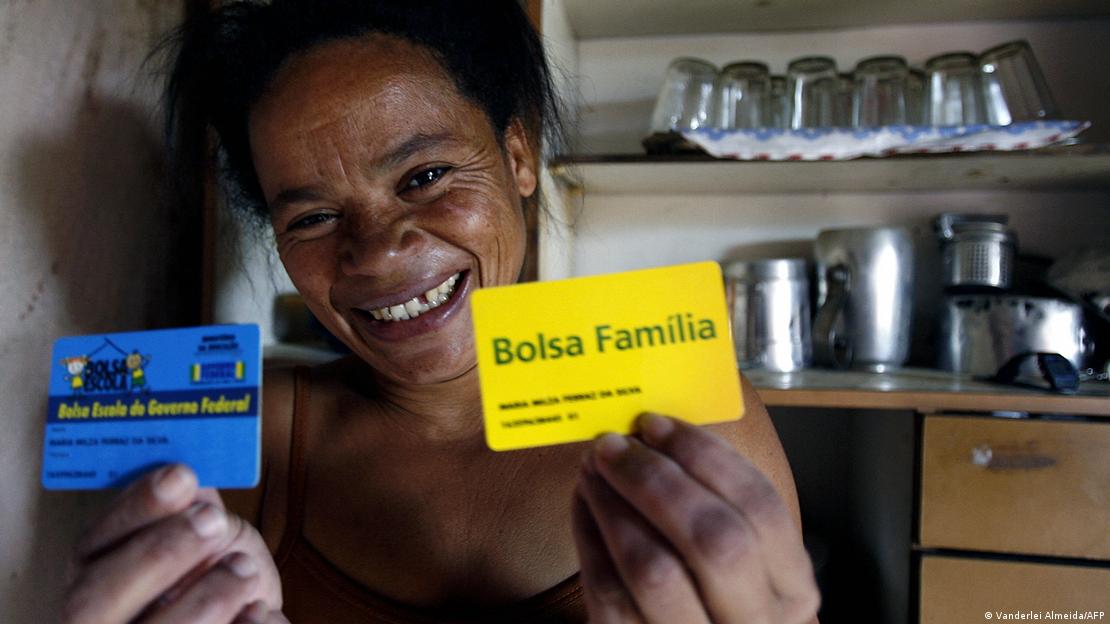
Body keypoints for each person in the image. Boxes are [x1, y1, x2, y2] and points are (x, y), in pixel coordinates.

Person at [62, 2, 820, 622]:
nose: (379, 255)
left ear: (518, 156)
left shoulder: (689, 415)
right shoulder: (247, 447)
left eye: (425, 175)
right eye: (313, 218)